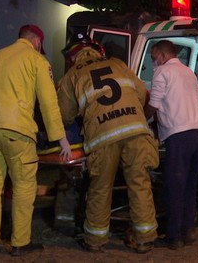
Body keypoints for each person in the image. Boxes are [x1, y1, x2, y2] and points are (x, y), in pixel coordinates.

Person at [0, 24, 71, 257]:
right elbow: (48, 103)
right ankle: (20, 243)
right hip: (16, 129)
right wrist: (61, 139)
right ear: (37, 42)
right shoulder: (37, 60)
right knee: (24, 186)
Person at [57, 33, 159, 254]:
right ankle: (145, 239)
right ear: (97, 51)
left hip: (103, 137)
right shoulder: (118, 64)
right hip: (135, 130)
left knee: (100, 188)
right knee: (140, 184)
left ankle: (95, 241)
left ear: (73, 56)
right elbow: (141, 93)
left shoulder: (72, 75)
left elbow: (64, 115)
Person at [144, 40, 198, 250]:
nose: (154, 63)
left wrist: (141, 119)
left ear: (162, 55)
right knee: (189, 185)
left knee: (173, 186)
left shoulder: (163, 73)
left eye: (153, 58)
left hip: (179, 135)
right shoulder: (189, 72)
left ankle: (173, 236)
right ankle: (188, 230)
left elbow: (154, 105)